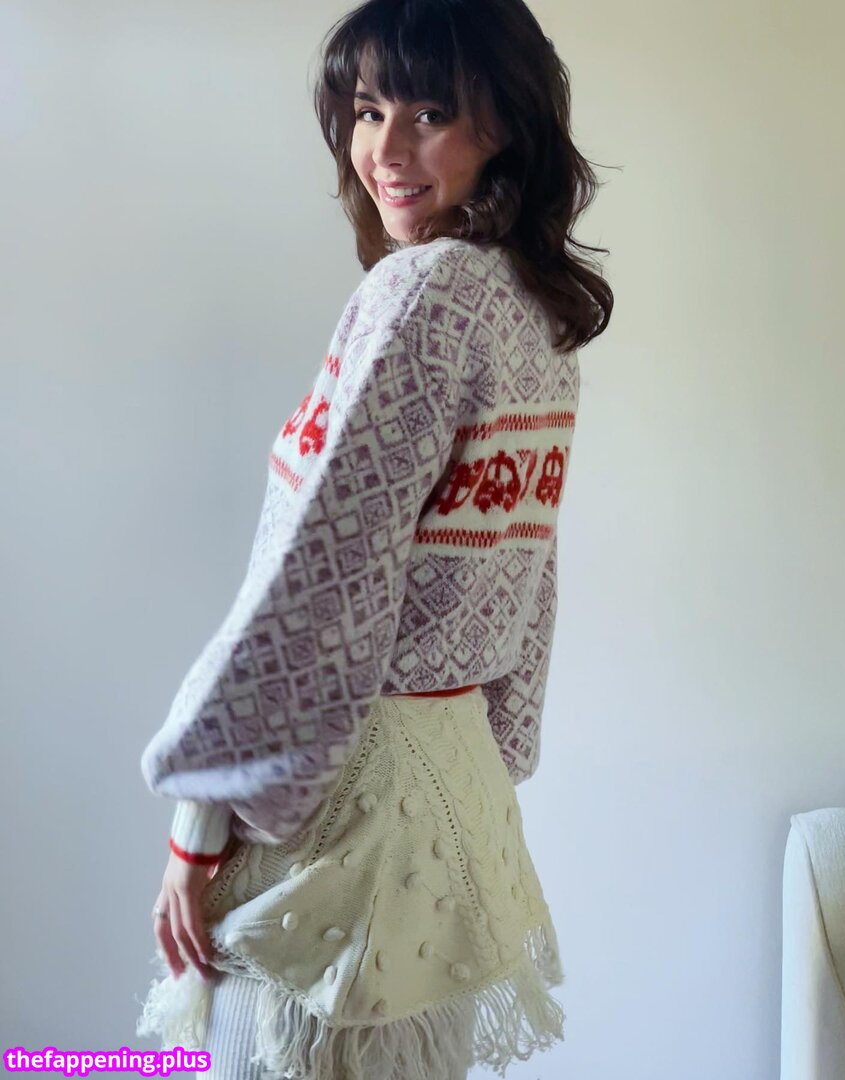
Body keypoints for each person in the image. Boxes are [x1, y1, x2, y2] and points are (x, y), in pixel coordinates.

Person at [135, 1, 613, 1077]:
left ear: (504, 126)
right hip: (455, 800)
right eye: (367, 111)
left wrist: (198, 827)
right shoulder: (536, 310)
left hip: (346, 803)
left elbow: (317, 580)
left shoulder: (424, 293)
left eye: (429, 113)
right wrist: (496, 748)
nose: (386, 149)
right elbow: (530, 577)